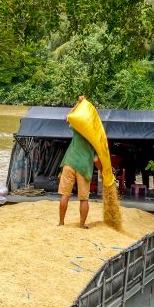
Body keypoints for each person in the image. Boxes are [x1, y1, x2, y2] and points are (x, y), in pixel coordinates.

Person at [59, 96, 103, 229]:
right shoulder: (96, 135)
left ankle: (61, 222)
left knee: (65, 195)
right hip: (83, 168)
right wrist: (103, 171)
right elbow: (96, 159)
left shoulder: (79, 127)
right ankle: (82, 224)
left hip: (70, 162)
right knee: (83, 198)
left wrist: (79, 103)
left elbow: (68, 116)